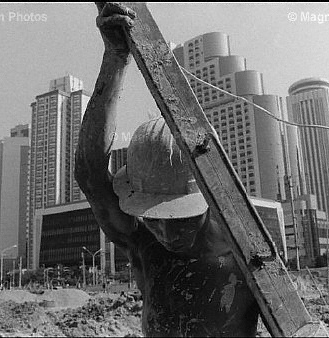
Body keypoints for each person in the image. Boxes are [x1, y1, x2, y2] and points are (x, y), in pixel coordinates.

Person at [75, 2, 259, 336]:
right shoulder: (144, 246)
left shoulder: (249, 252)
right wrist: (115, 58)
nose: (165, 232)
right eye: (153, 217)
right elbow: (90, 176)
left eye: (178, 218)